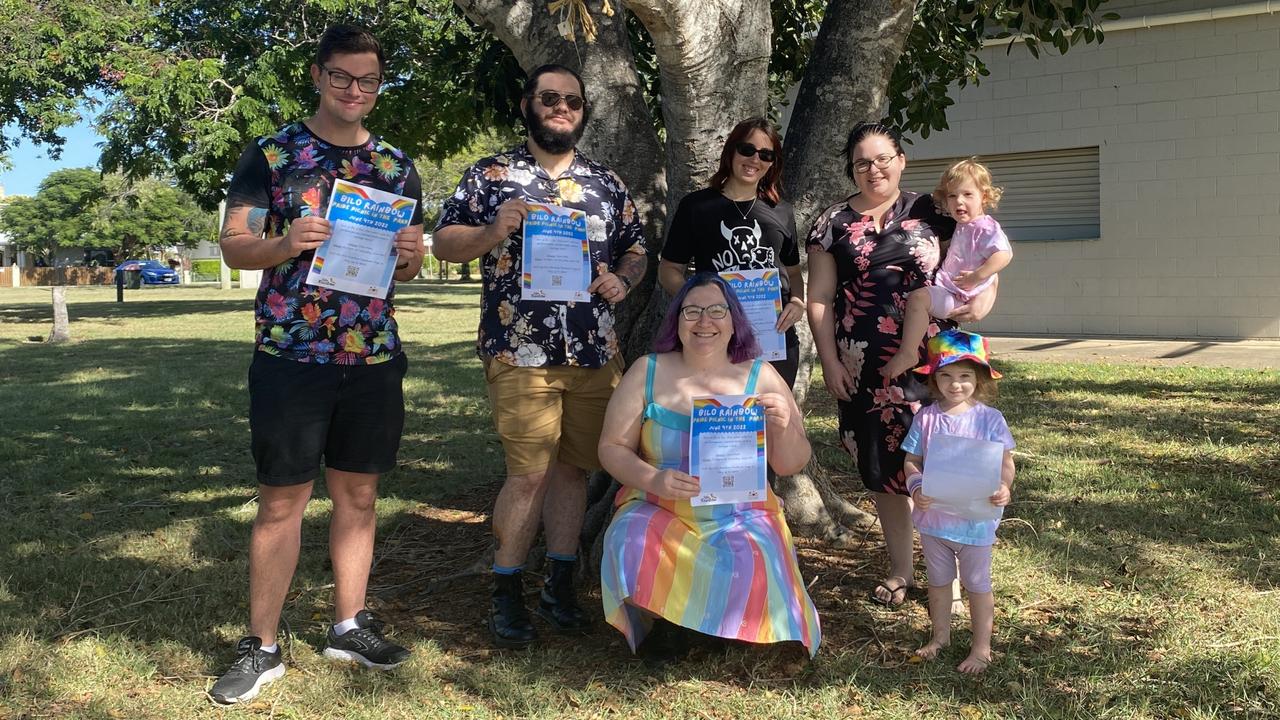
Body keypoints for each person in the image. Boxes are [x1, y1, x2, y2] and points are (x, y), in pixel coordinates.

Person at [210, 24, 426, 705]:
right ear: (317, 75)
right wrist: (284, 244)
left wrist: (415, 255)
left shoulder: (395, 166)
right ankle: (262, 645)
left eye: (367, 80)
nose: (354, 91)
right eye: (341, 77)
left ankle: (348, 626)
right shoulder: (271, 155)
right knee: (282, 501)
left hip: (372, 355)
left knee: (360, 496)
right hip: (291, 355)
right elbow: (232, 246)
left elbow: (407, 269)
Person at [433, 64, 649, 649]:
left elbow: (635, 249)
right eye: (550, 98)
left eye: (573, 101)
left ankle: (559, 584)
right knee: (528, 475)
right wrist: (494, 230)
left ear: (583, 111)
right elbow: (443, 241)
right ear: (528, 104)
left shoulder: (605, 182)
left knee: (575, 471)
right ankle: (506, 590)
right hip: (519, 350)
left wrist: (622, 282)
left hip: (592, 352)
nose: (562, 108)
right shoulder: (492, 174)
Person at [806, 121, 997, 608]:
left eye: (882, 158)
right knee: (884, 468)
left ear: (901, 160)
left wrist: (986, 294)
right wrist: (829, 361)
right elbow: (821, 298)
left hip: (934, 363)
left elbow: (984, 247)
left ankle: (948, 581)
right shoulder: (830, 223)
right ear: (851, 168)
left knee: (944, 465)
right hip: (864, 367)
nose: (873, 170)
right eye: (862, 162)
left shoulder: (934, 210)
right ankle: (902, 569)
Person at [598, 274, 821, 664]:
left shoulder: (760, 375)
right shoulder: (646, 371)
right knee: (631, 540)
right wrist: (655, 479)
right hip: (659, 504)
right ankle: (670, 625)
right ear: (676, 320)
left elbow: (791, 463)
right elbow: (611, 447)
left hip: (739, 509)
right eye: (693, 311)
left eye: (717, 311)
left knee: (757, 553)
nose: (704, 322)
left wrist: (783, 425)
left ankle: (721, 626)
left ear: (734, 320)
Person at [658, 117, 804, 387]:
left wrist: (797, 303)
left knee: (772, 418)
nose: (754, 159)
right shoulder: (696, 206)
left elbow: (794, 273)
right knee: (720, 419)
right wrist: (699, 302)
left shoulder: (782, 211)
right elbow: (669, 270)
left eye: (765, 154)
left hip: (773, 336)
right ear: (731, 151)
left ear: (773, 162)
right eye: (746, 150)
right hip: (711, 334)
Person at [903, 329, 1016, 674]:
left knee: (977, 584)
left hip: (975, 521)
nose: (956, 384)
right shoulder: (926, 418)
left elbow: (1005, 461)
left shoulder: (990, 420)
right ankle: (940, 637)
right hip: (935, 521)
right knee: (938, 583)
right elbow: (911, 460)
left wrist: (1004, 485)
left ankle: (982, 647)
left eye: (965, 376)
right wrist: (916, 487)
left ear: (979, 378)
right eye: (946, 376)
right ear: (934, 379)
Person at [882, 159, 1012, 379]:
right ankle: (911, 351)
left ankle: (908, 352)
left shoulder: (986, 227)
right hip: (951, 291)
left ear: (985, 197)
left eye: (967, 195)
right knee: (918, 302)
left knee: (918, 300)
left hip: (960, 296)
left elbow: (1004, 255)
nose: (959, 201)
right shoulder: (961, 225)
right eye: (952, 196)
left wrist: (977, 277)